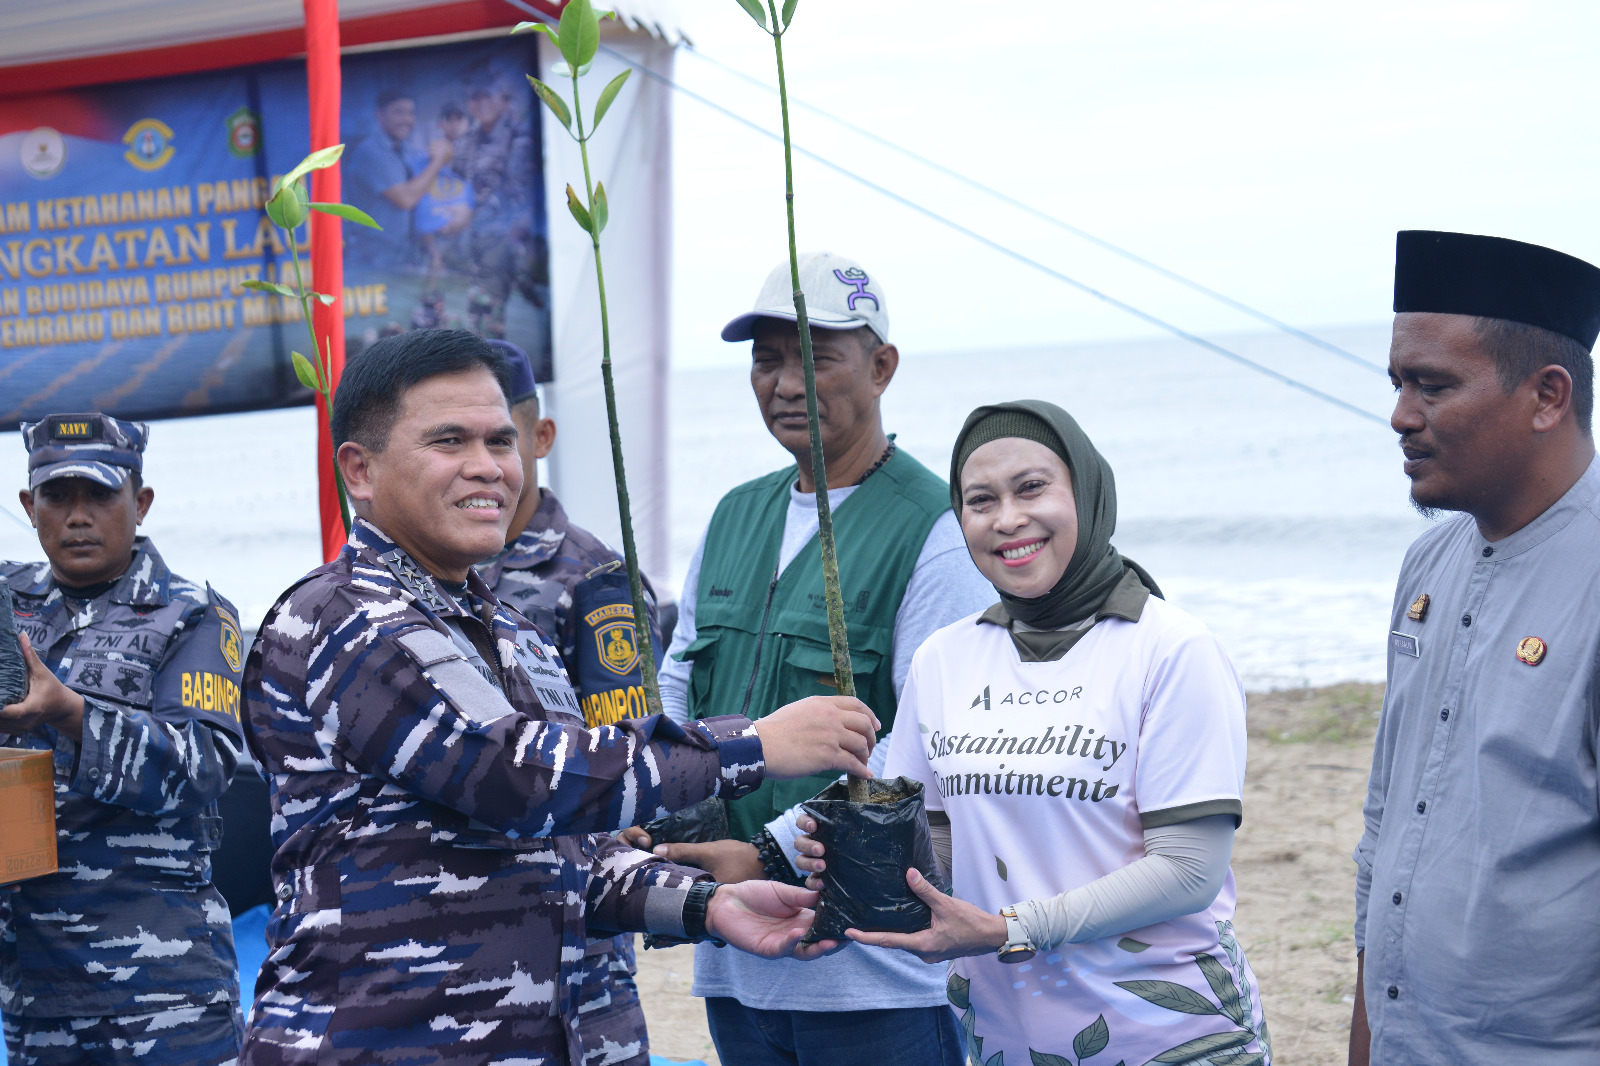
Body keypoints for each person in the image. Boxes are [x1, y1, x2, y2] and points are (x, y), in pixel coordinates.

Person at [239, 328, 879, 1066]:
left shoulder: (510, 631)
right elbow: (516, 776)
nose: (488, 467)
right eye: (449, 441)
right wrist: (753, 745)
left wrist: (704, 903)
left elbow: (571, 852)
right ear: (359, 469)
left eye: (500, 442)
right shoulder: (346, 617)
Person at [794, 400, 1271, 1066]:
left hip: (1169, 1034)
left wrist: (1008, 929)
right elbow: (936, 843)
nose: (1008, 518)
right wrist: (847, 857)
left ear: (1087, 492)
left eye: (1032, 488)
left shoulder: (1172, 650)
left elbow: (1188, 871)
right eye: (980, 500)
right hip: (1004, 1037)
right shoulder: (945, 658)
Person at [635, 254, 995, 1066]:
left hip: (874, 970)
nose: (786, 383)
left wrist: (766, 852)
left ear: (881, 367)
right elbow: (680, 678)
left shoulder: (934, 527)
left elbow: (925, 744)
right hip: (736, 956)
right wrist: (658, 804)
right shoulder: (735, 514)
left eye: (814, 357)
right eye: (767, 360)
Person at [1348, 232, 1600, 1065]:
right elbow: (1386, 826)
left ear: (1547, 396)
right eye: (1396, 383)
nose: (1401, 415)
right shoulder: (1428, 564)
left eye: (1433, 385)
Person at [0, 413, 246, 1064]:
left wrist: (70, 713)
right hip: (34, 987)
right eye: (57, 496)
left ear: (140, 503)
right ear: (28, 505)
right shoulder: (6, 603)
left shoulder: (192, 615)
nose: (78, 516)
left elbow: (204, 767)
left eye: (100, 495)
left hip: (163, 990)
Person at [475, 340, 663, 1063]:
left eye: (502, 439)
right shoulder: (425, 571)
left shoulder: (593, 578)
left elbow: (628, 755)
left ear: (541, 436)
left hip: (568, 932)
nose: (482, 464)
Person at [344, 88, 455, 264]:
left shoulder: (408, 151)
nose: (406, 119)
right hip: (374, 261)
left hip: (406, 257)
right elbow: (406, 199)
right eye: (399, 112)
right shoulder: (370, 152)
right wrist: (438, 161)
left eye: (410, 113)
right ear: (380, 115)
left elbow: (424, 195)